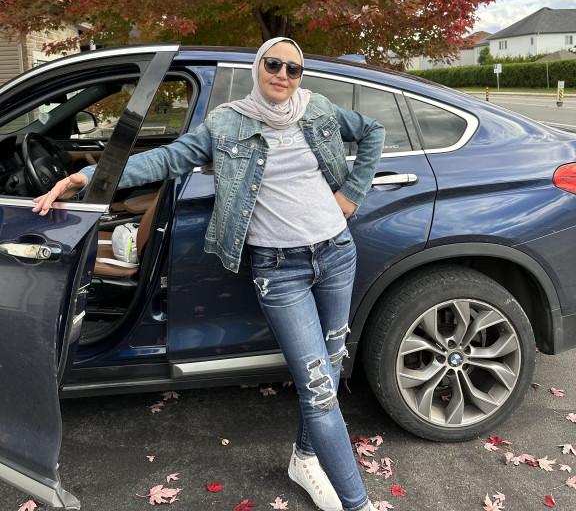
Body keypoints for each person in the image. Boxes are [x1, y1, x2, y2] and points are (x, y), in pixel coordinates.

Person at [33, 38, 385, 511]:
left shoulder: (316, 108)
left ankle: (304, 458)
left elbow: (373, 131)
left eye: (293, 69)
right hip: (279, 271)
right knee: (319, 390)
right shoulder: (226, 123)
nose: (283, 75)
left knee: (332, 364)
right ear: (258, 66)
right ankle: (359, 504)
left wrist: (352, 195)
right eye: (274, 64)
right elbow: (166, 158)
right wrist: (86, 178)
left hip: (337, 254)